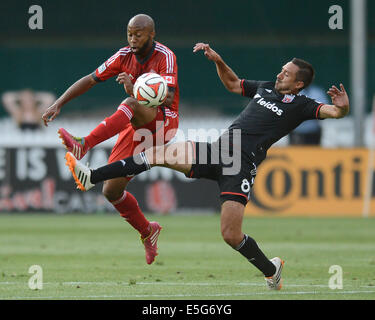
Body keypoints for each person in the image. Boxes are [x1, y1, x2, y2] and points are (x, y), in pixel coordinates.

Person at [64, 43, 349, 290]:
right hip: (218, 151)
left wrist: (343, 108)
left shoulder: (302, 104)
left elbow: (334, 112)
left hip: (240, 166)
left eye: (286, 73)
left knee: (230, 235)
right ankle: (91, 176)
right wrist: (218, 60)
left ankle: (271, 271)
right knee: (158, 153)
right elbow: (234, 84)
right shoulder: (265, 88)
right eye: (282, 69)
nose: (279, 73)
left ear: (299, 83)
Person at [41, 14, 180, 265]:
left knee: (130, 102)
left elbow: (168, 98)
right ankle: (148, 231)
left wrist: (135, 86)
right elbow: (90, 79)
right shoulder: (123, 56)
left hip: (163, 121)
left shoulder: (165, 56)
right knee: (111, 190)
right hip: (137, 123)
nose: (133, 38)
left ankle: (84, 144)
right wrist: (58, 103)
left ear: (152, 34)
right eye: (129, 33)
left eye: (138, 34)